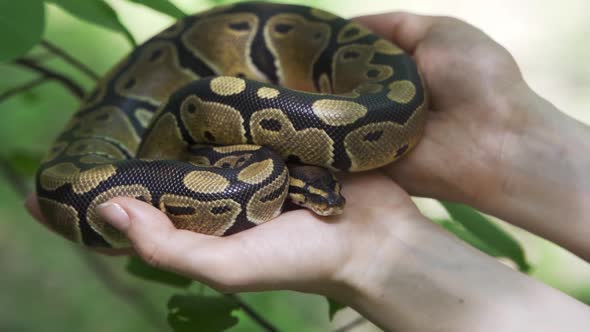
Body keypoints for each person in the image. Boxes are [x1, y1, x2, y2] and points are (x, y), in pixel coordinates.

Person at [26, 12, 590, 331]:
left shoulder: (275, 169)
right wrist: (511, 143)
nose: (331, 203)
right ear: (292, 178)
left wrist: (509, 140)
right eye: (317, 194)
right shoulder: (265, 169)